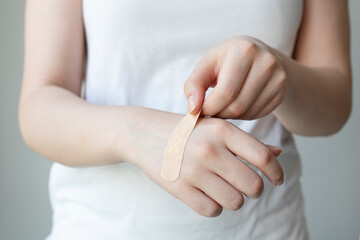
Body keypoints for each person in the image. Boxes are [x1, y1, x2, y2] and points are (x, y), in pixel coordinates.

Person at [18, 0, 352, 239]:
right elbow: (39, 104)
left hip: (269, 228)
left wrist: (281, 75)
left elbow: (335, 105)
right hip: (99, 228)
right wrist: (140, 135)